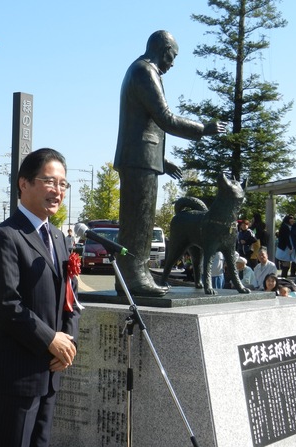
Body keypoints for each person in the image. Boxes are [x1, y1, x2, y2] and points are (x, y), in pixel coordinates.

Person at [0, 148, 82, 447]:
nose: (58, 190)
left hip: (50, 369)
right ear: (24, 183)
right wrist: (51, 340)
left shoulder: (59, 238)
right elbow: (6, 304)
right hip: (14, 374)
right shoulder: (5, 237)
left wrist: (68, 343)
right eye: (49, 181)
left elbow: (69, 299)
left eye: (63, 184)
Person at [114, 30, 226, 296]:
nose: (172, 63)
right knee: (138, 223)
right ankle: (134, 275)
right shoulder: (144, 71)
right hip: (138, 160)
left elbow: (141, 125)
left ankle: (131, 275)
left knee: (139, 220)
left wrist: (162, 160)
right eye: (172, 56)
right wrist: (203, 128)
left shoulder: (142, 71)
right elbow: (164, 116)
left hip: (143, 158)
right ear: (162, 49)